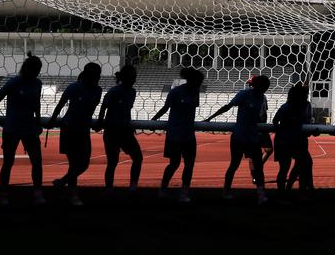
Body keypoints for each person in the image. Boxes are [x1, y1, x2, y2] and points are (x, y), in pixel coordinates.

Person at [205, 74, 270, 204]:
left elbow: (259, 116)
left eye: (266, 87)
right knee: (234, 164)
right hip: (239, 136)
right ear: (257, 85)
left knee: (258, 166)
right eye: (263, 87)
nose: (265, 89)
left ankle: (261, 193)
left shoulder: (262, 98)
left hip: (253, 136)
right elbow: (228, 106)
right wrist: (210, 118)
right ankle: (226, 190)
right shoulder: (244, 94)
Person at [0, 55, 45, 206]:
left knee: (37, 162)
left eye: (38, 70)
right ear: (27, 68)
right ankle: (3, 194)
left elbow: (37, 104)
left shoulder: (37, 83)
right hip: (12, 128)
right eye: (35, 70)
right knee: (8, 162)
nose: (36, 73)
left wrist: (39, 122)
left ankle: (37, 193)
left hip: (29, 128)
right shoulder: (14, 82)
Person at [48, 62, 102, 206]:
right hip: (69, 129)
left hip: (83, 130)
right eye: (95, 75)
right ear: (87, 75)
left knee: (84, 164)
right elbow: (60, 105)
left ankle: (62, 182)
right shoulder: (74, 87)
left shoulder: (98, 90)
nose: (97, 78)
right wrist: (52, 121)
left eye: (98, 76)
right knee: (75, 164)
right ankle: (73, 196)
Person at [152, 67, 203, 203]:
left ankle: (184, 191)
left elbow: (193, 108)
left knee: (189, 164)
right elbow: (165, 108)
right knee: (174, 164)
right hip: (175, 134)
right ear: (191, 80)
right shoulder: (175, 92)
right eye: (198, 81)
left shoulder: (195, 92)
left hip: (189, 134)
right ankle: (163, 187)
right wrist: (153, 120)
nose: (199, 84)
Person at [96, 65, 143, 193]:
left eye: (135, 76)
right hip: (112, 131)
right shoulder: (114, 91)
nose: (134, 79)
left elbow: (125, 110)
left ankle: (133, 186)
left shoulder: (132, 92)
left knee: (137, 158)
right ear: (125, 77)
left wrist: (128, 124)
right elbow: (104, 107)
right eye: (132, 76)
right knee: (112, 162)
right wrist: (100, 122)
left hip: (125, 131)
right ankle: (109, 188)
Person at [272, 82, 314, 197]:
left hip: (291, 140)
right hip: (289, 141)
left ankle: (290, 190)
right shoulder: (291, 107)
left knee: (301, 164)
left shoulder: (294, 106)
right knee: (294, 165)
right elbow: (276, 121)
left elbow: (275, 121)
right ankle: (289, 192)